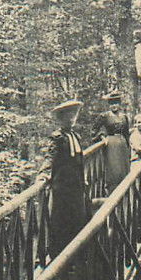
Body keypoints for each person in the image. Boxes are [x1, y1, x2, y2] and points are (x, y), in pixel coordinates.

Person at [37, 99, 87, 259]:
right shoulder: (57, 137)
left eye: (73, 117)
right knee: (60, 220)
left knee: (78, 217)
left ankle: (76, 255)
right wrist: (44, 173)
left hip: (76, 185)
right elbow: (50, 156)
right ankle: (57, 257)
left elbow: (79, 160)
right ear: (62, 119)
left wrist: (83, 178)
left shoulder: (75, 136)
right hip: (62, 185)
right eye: (68, 117)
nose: (71, 120)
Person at [94, 90, 131, 193]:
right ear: (109, 105)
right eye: (112, 103)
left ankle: (125, 192)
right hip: (111, 144)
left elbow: (127, 133)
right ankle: (112, 192)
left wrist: (129, 149)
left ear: (119, 104)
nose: (114, 106)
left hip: (122, 144)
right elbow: (94, 130)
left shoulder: (124, 117)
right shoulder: (105, 116)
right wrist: (102, 137)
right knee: (113, 170)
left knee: (124, 170)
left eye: (116, 103)